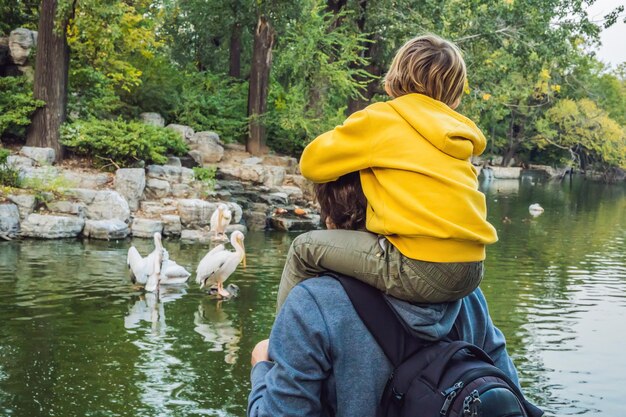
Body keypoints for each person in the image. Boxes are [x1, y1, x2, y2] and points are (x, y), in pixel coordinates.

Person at [247, 174, 520, 417]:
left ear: (331, 224)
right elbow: (510, 395)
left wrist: (262, 369)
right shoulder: (467, 297)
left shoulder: (312, 304)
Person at [276, 34, 498, 311]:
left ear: (396, 76)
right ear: (454, 95)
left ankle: (280, 343)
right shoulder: (457, 132)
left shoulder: (383, 118)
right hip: (471, 270)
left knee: (303, 248)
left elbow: (311, 164)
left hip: (419, 267)